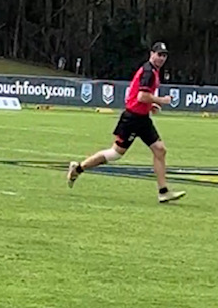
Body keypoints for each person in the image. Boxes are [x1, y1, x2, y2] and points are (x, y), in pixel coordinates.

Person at [67, 42, 186, 203]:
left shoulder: (152, 71)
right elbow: (141, 97)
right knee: (115, 154)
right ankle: (78, 168)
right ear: (151, 54)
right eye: (159, 54)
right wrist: (161, 100)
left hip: (142, 119)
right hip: (132, 119)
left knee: (160, 150)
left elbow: (141, 96)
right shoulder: (149, 72)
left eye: (164, 55)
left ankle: (163, 191)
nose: (161, 58)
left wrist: (151, 106)